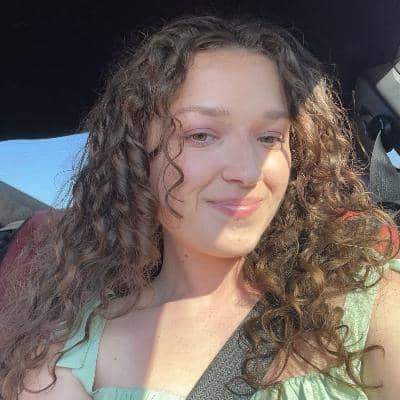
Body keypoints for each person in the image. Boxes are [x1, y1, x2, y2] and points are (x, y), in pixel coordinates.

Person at [1, 15, 400, 400]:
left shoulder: (371, 301)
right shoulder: (66, 347)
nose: (247, 172)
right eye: (201, 135)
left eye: (269, 137)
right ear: (137, 156)